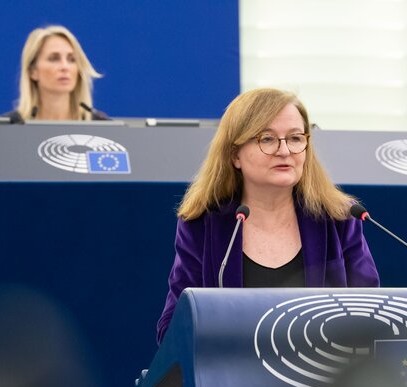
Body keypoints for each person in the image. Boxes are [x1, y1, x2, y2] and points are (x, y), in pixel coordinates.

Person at [156, 88, 380, 343]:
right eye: (267, 139)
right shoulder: (202, 225)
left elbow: (370, 316)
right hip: (232, 377)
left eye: (295, 138)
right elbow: (172, 329)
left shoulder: (339, 219)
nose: (284, 151)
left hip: (326, 378)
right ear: (235, 155)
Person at [6, 25, 107, 123]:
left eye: (72, 59)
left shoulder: (101, 127)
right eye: (54, 59)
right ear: (33, 71)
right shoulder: (10, 128)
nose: (65, 67)